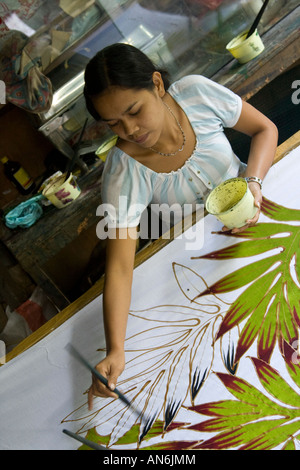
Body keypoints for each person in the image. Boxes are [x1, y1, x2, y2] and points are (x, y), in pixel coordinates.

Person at [83, 43, 278, 409]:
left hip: (262, 222)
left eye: (134, 111)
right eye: (113, 124)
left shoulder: (195, 93)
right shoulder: (123, 171)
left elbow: (264, 130)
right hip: (210, 271)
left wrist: (253, 183)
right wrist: (116, 350)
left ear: (157, 83)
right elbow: (120, 268)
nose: (130, 130)